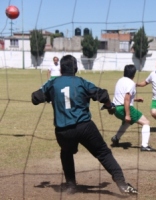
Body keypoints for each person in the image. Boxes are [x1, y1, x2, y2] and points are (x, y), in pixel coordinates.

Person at [31, 55, 137, 195]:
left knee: (66, 153)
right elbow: (103, 95)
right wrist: (109, 106)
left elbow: (35, 98)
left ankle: (70, 186)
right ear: (76, 68)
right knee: (103, 153)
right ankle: (122, 184)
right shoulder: (81, 82)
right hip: (85, 127)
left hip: (63, 131)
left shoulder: (52, 83)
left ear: (61, 69)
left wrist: (48, 92)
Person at [110, 64, 156, 152]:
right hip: (124, 108)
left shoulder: (120, 80)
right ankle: (144, 145)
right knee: (146, 122)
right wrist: (127, 114)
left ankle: (116, 138)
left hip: (116, 109)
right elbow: (126, 99)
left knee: (127, 123)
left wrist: (135, 99)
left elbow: (122, 96)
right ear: (134, 74)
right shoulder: (131, 83)